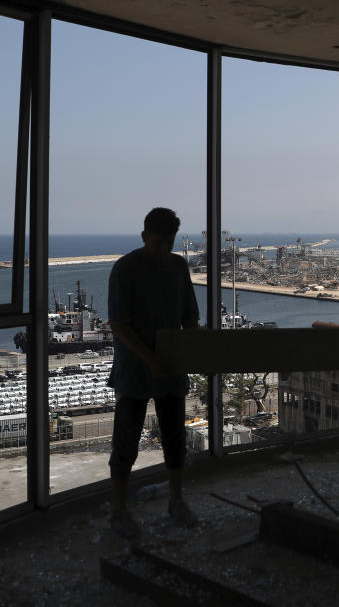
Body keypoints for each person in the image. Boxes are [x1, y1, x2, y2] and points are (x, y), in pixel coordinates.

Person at [106, 207, 200, 538]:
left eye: (169, 243)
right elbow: (119, 326)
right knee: (126, 441)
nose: (164, 250)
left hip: (170, 366)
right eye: (158, 242)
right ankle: (119, 511)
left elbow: (189, 316)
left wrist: (194, 349)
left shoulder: (177, 266)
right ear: (145, 236)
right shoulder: (125, 269)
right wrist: (150, 358)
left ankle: (177, 501)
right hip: (134, 368)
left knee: (175, 438)